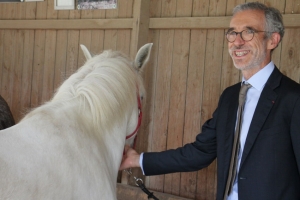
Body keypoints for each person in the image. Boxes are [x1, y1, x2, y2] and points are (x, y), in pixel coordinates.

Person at [120, 2, 300, 200]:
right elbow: (200, 152)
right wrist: (137, 160)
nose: (237, 42)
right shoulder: (230, 97)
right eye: (232, 33)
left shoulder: (293, 99)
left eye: (248, 32)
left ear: (272, 40)